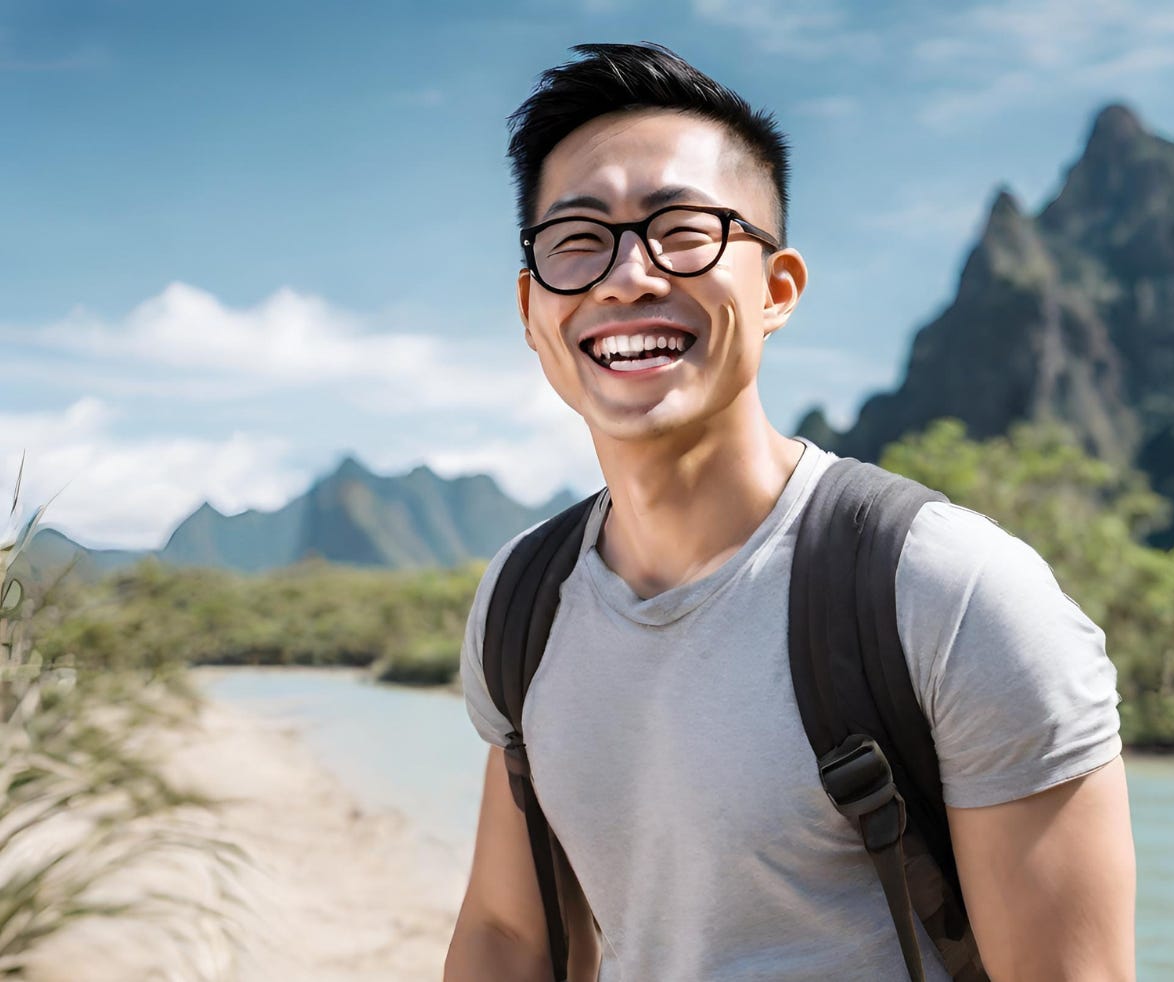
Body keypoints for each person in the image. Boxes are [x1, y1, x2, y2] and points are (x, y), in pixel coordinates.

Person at [444, 43, 1135, 982]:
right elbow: (509, 935)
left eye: (682, 229)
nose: (626, 276)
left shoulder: (953, 594)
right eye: (576, 241)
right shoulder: (524, 600)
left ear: (776, 290)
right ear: (533, 312)